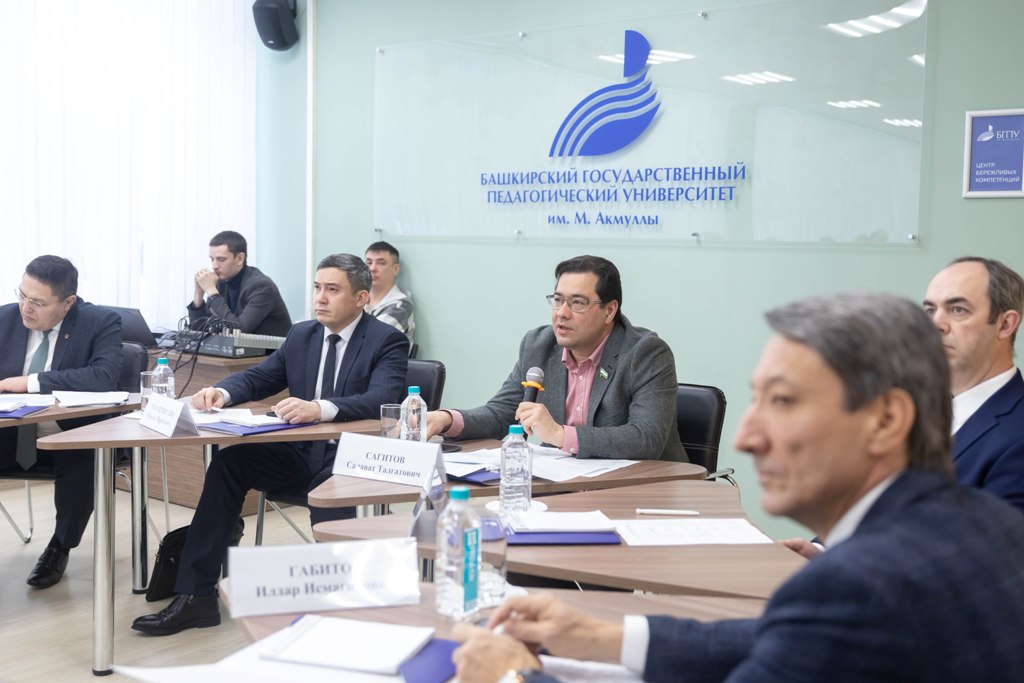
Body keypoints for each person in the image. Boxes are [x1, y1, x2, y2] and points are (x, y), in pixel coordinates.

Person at [452, 293, 1024, 683]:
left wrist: (511, 675)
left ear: (887, 420)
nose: (747, 437)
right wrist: (601, 636)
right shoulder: (968, 522)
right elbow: (776, 642)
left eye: (783, 402)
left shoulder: (858, 582)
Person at [133, 254, 408, 636]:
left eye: (332, 290)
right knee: (230, 464)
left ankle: (339, 607)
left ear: (361, 298)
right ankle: (196, 596)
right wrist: (221, 392)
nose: (320, 298)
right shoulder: (302, 334)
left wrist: (319, 408)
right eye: (317, 287)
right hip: (301, 452)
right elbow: (261, 377)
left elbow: (382, 398)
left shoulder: (387, 340)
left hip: (353, 457)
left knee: (328, 489)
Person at [426, 255, 685, 461]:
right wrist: (446, 419)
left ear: (609, 311)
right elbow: (501, 413)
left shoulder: (645, 353)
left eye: (577, 303)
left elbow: (646, 438)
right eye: (558, 300)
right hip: (563, 485)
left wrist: (561, 435)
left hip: (639, 489)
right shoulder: (539, 345)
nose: (562, 313)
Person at [0, 255, 122, 588]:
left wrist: (31, 382)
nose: (25, 308)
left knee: (84, 456)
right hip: (10, 435)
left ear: (68, 302)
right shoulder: (5, 319)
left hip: (71, 434)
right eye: (22, 295)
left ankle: (59, 547)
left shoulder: (99, 322)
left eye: (38, 303)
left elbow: (103, 377)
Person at [923, 256, 1024, 514]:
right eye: (930, 310)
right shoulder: (913, 411)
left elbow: (998, 540)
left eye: (958, 310)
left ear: (1005, 324)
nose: (936, 325)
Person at [187, 230, 292, 336]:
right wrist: (198, 295)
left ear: (240, 259)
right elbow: (199, 332)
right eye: (212, 259)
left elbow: (239, 331)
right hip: (237, 346)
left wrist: (212, 293)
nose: (214, 266)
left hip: (270, 347)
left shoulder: (261, 286)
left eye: (221, 259)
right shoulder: (220, 282)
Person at [364, 240, 415, 346]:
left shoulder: (400, 306)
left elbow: (369, 339)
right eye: (369, 263)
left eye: (381, 263)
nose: (372, 268)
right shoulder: (358, 297)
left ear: (395, 269)